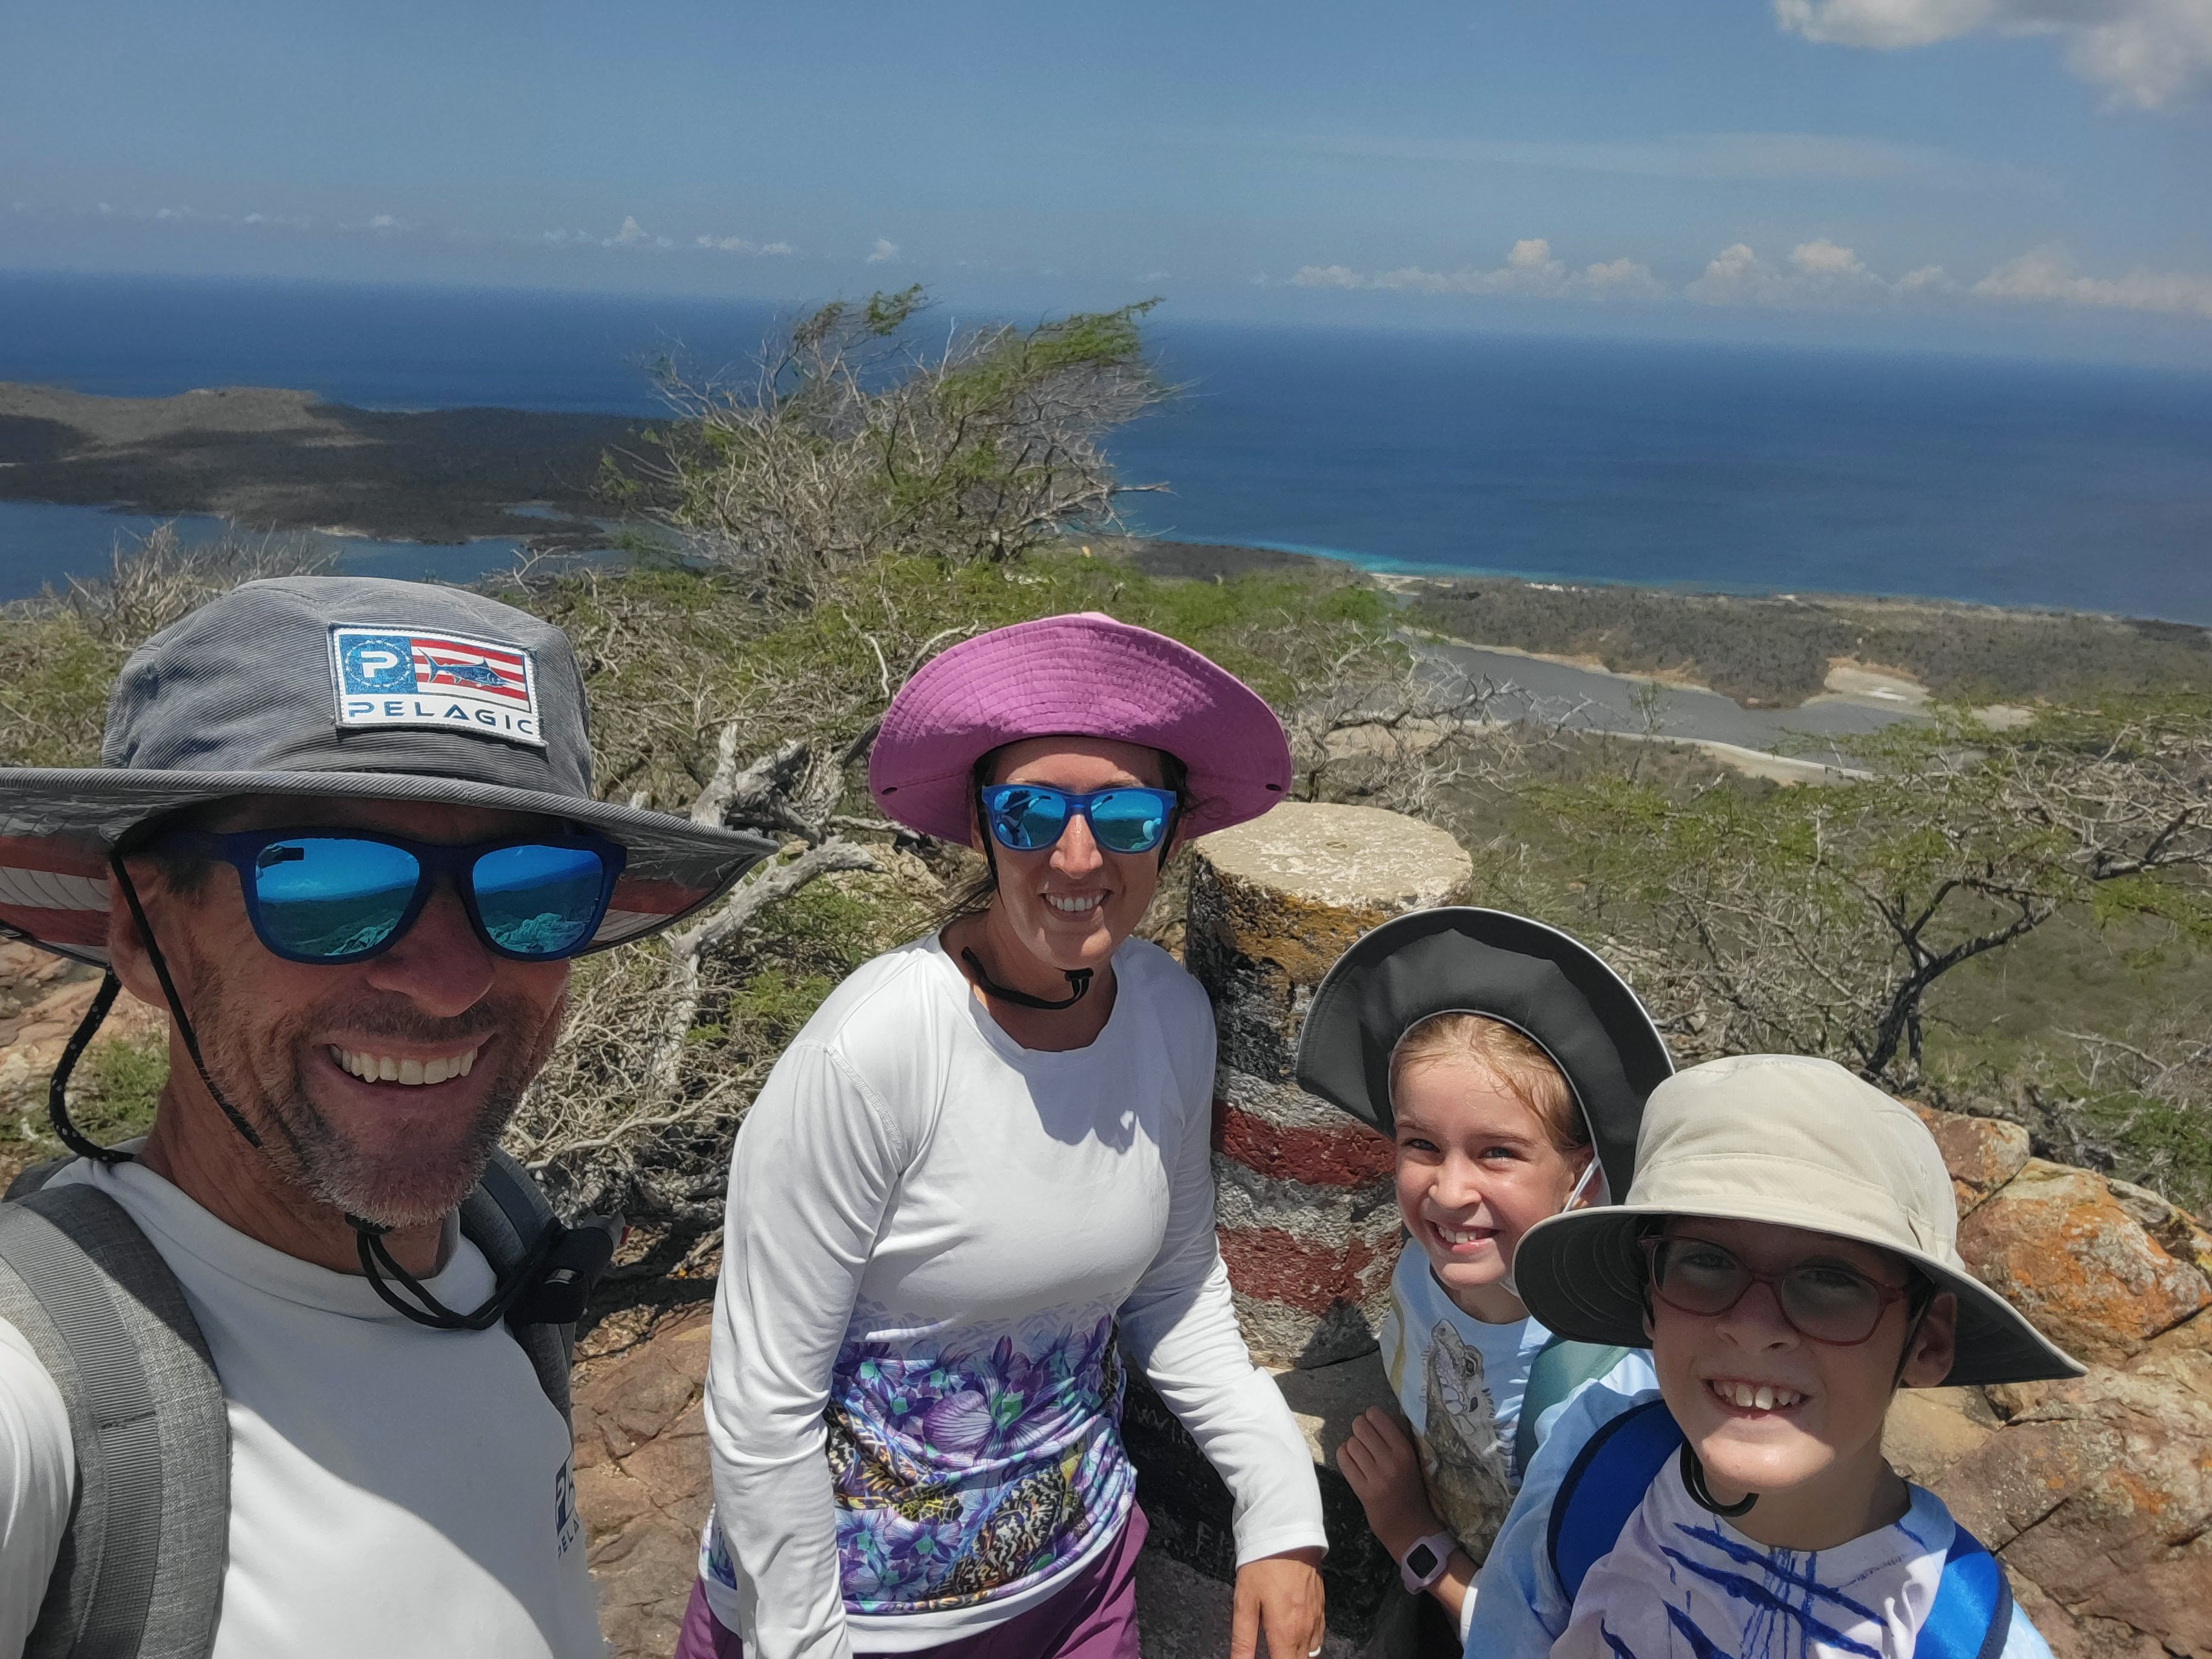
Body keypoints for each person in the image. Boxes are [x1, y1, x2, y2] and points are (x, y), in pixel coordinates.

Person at [0, 577, 776, 1658]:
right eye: (332, 886)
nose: (453, 981)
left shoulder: (501, 1258)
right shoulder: (41, 1393)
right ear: (144, 932)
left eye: (532, 888)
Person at [681, 613, 1328, 1659]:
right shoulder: (880, 1047)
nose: (1077, 855)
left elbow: (1172, 1290)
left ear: (1168, 831)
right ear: (985, 829)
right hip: (855, 1623)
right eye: (1030, 813)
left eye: (1122, 814)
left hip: (1080, 1589)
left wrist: (1279, 1509)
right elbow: (761, 1404)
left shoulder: (1167, 1016)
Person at [1462, 1054, 2084, 1658]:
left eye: (1831, 1279)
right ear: (1650, 1299)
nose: (1754, 1328)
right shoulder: (1592, 1463)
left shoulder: (1960, 1637)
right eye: (1705, 1261)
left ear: (1926, 1341)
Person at [1290, 910, 1668, 1650]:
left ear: (1583, 1181)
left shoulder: (1597, 1396)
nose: (1449, 1191)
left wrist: (1413, 1538)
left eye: (1497, 1153)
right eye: (1422, 1144)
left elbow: (1553, 1639)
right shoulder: (1425, 1268)